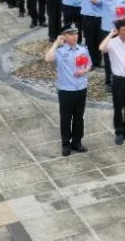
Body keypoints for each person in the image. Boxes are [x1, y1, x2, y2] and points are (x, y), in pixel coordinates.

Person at [44, 26, 90, 156]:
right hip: (66, 90)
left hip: (81, 88)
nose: (75, 36)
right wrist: (56, 43)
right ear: (64, 36)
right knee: (65, 118)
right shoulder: (59, 51)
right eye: (71, 34)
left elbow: (88, 64)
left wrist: (84, 70)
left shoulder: (83, 50)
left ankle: (77, 141)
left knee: (79, 117)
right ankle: (66, 143)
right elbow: (48, 58)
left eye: (76, 33)